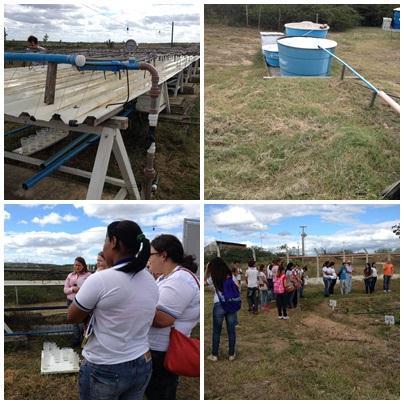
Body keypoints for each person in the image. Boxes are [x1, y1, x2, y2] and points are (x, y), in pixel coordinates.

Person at [67, 220, 159, 400]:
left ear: (114, 242)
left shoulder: (100, 279)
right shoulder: (150, 279)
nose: (104, 246)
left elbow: (72, 316)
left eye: (105, 241)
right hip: (142, 361)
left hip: (105, 366)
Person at [146, 234, 200, 400]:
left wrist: (136, 307)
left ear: (163, 255)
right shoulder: (166, 277)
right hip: (158, 349)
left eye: (150, 255)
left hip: (163, 351)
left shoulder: (180, 280)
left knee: (160, 394)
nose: (148, 260)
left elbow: (162, 319)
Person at [205, 257, 238, 362]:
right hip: (231, 303)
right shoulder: (230, 275)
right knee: (231, 330)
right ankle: (231, 354)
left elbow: (204, 282)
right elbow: (236, 286)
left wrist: (207, 270)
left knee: (216, 331)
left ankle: (214, 355)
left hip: (219, 303)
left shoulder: (213, 276)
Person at [63, 257, 91, 347]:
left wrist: (81, 289)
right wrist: (73, 289)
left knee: (84, 321)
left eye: (79, 265)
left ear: (83, 266)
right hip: (71, 301)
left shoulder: (88, 276)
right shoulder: (70, 275)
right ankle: (76, 340)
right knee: (74, 321)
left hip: (83, 301)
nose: (77, 267)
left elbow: (91, 288)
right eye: (75, 265)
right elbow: (65, 290)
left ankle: (84, 340)